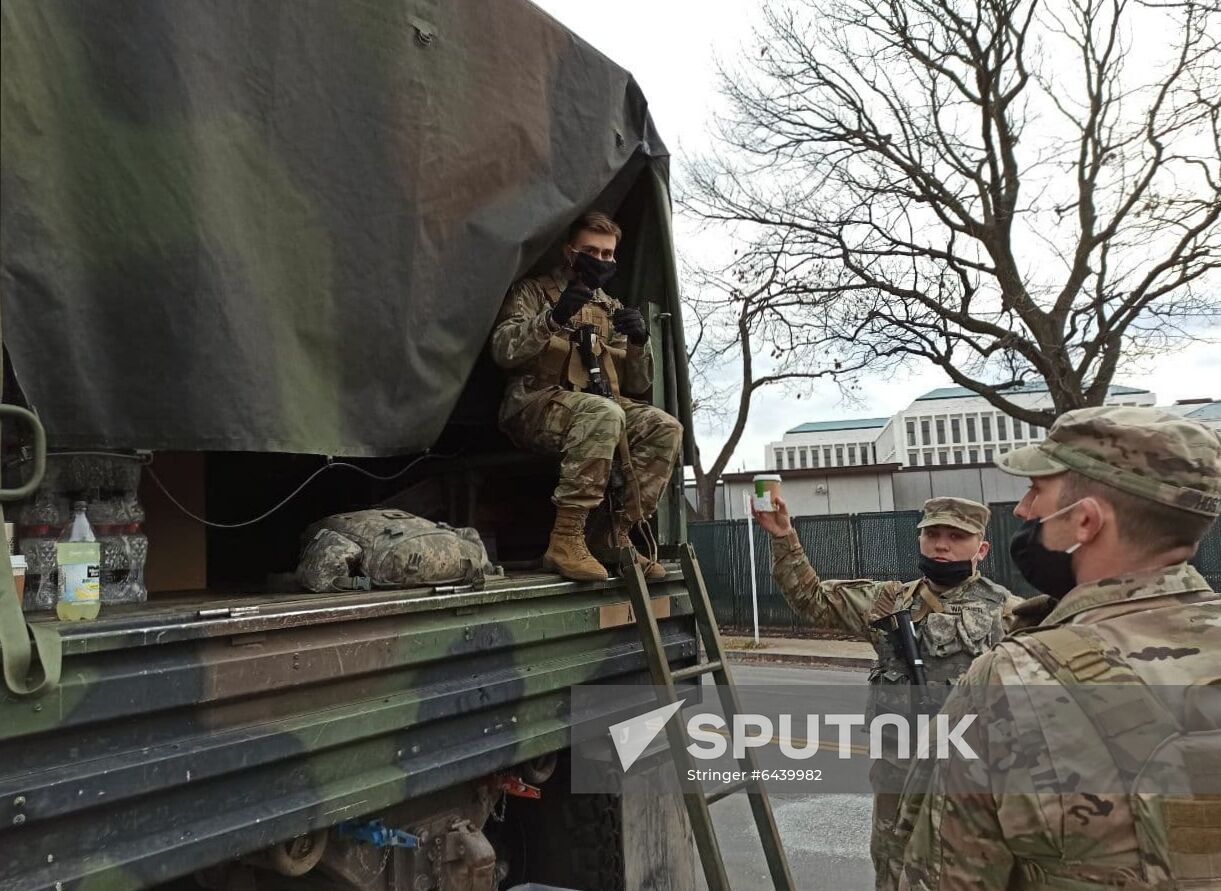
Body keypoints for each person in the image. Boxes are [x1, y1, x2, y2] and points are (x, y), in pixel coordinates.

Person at [897, 406, 1221, 890]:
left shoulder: (1012, 678)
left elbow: (945, 876)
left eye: (1036, 491)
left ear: (1085, 521)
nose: (1024, 511)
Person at [754, 494, 1018, 891]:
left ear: (981, 548)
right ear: (920, 540)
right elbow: (812, 600)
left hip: (971, 778)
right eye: (932, 534)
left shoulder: (1009, 612)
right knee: (894, 869)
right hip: (898, 772)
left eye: (956, 536)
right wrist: (784, 536)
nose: (942, 545)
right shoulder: (890, 601)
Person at [490, 211, 683, 582]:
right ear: (569, 252)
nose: (600, 260)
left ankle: (613, 533)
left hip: (593, 404)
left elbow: (638, 384)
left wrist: (641, 343)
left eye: (608, 254)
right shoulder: (532, 292)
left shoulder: (609, 308)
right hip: (534, 404)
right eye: (590, 251)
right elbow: (504, 351)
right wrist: (553, 317)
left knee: (664, 427)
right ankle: (566, 540)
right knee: (604, 413)